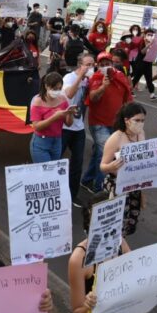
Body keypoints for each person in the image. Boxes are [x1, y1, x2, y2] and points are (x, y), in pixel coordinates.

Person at [68, 191, 132, 313]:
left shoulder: (121, 244)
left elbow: (139, 273)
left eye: (114, 220)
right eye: (103, 222)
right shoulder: (79, 259)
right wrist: (87, 306)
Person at [81, 52, 133, 193]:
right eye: (102, 64)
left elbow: (127, 97)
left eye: (107, 64)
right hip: (99, 123)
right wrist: (103, 86)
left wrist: (129, 118)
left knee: (99, 153)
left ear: (112, 64)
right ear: (98, 66)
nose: (105, 66)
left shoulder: (120, 76)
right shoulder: (95, 78)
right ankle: (100, 189)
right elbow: (93, 98)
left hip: (116, 123)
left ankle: (86, 180)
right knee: (106, 154)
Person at [99, 102, 154, 235]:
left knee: (129, 223)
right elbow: (102, 166)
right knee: (114, 226)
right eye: (137, 120)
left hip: (135, 186)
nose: (140, 124)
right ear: (126, 120)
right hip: (117, 185)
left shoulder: (141, 134)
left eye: (143, 120)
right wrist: (111, 166)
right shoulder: (116, 138)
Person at [61, 53, 94, 205]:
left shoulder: (88, 80)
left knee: (77, 162)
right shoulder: (69, 78)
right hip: (64, 126)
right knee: (57, 160)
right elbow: (69, 94)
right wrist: (80, 76)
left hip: (78, 127)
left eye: (92, 64)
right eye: (88, 64)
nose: (90, 67)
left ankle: (72, 195)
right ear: (80, 65)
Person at [29, 72, 75, 163]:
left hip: (57, 141)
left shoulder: (63, 100)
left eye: (59, 88)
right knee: (45, 171)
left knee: (54, 170)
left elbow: (69, 124)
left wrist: (70, 113)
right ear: (46, 86)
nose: (57, 91)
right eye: (54, 89)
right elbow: (36, 126)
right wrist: (54, 117)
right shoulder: (37, 102)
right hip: (41, 143)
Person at [131, 28, 157, 99]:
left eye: (151, 35)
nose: (150, 36)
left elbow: (154, 53)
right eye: (148, 34)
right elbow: (142, 52)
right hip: (140, 63)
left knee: (149, 79)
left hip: (148, 63)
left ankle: (152, 94)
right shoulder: (141, 41)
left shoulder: (153, 43)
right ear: (145, 35)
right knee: (136, 78)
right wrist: (148, 45)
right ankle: (129, 91)